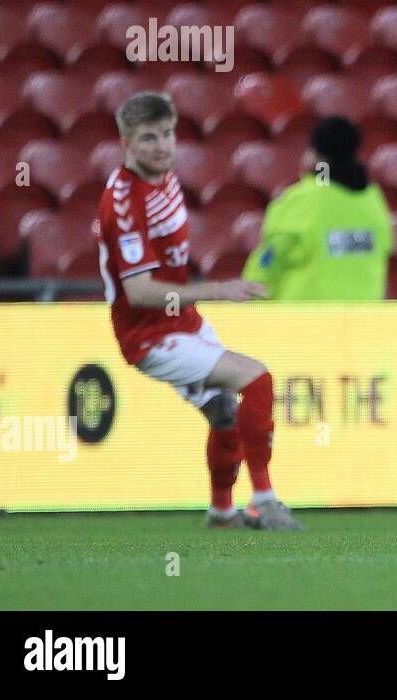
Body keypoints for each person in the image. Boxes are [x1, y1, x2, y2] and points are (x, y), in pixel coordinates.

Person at [97, 92, 300, 529]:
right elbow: (140, 292)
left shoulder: (165, 177)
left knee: (225, 412)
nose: (162, 146)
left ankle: (221, 511)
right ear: (126, 143)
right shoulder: (123, 205)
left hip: (180, 321)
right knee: (257, 379)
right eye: (148, 138)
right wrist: (218, 289)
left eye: (168, 134)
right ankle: (264, 502)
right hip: (149, 335)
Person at [242, 116, 394, 300]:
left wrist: (249, 301)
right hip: (360, 321)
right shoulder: (374, 200)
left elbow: (269, 260)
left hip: (307, 323)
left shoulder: (303, 199)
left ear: (314, 153)